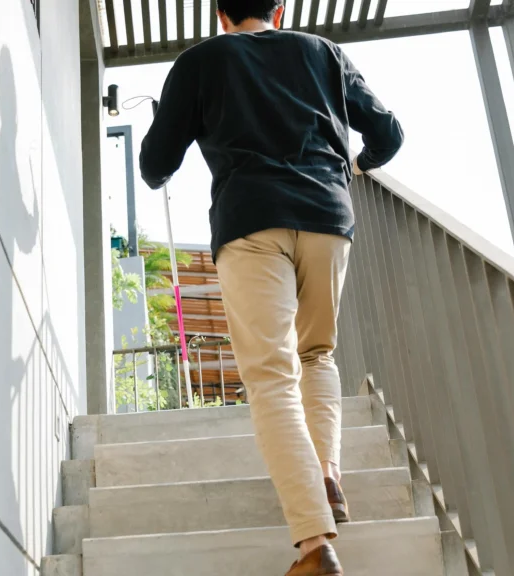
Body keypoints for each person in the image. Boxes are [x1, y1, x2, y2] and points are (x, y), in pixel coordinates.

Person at [139, 1, 403, 574]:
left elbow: (157, 161)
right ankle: (327, 475)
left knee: (271, 377)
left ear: (218, 12)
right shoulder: (323, 53)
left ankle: (313, 544)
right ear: (279, 8)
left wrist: (163, 162)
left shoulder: (201, 61)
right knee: (317, 354)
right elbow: (388, 132)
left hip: (250, 219)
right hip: (328, 219)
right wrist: (357, 166)